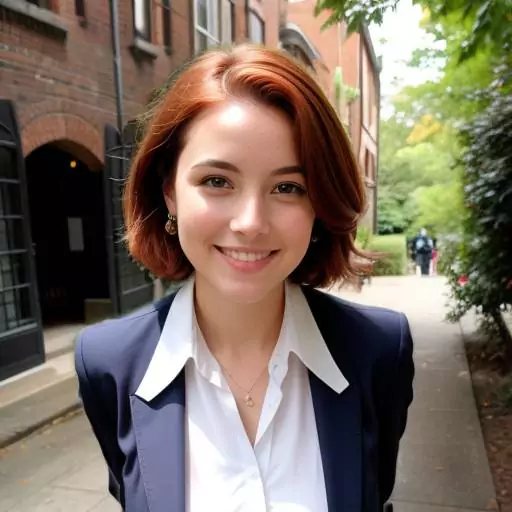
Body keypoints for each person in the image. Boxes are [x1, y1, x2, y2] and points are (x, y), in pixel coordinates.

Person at [75, 45, 414, 512]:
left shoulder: (378, 350)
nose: (251, 222)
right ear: (170, 191)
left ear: (320, 205)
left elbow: (375, 490)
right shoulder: (108, 362)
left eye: (287, 187)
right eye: (217, 181)